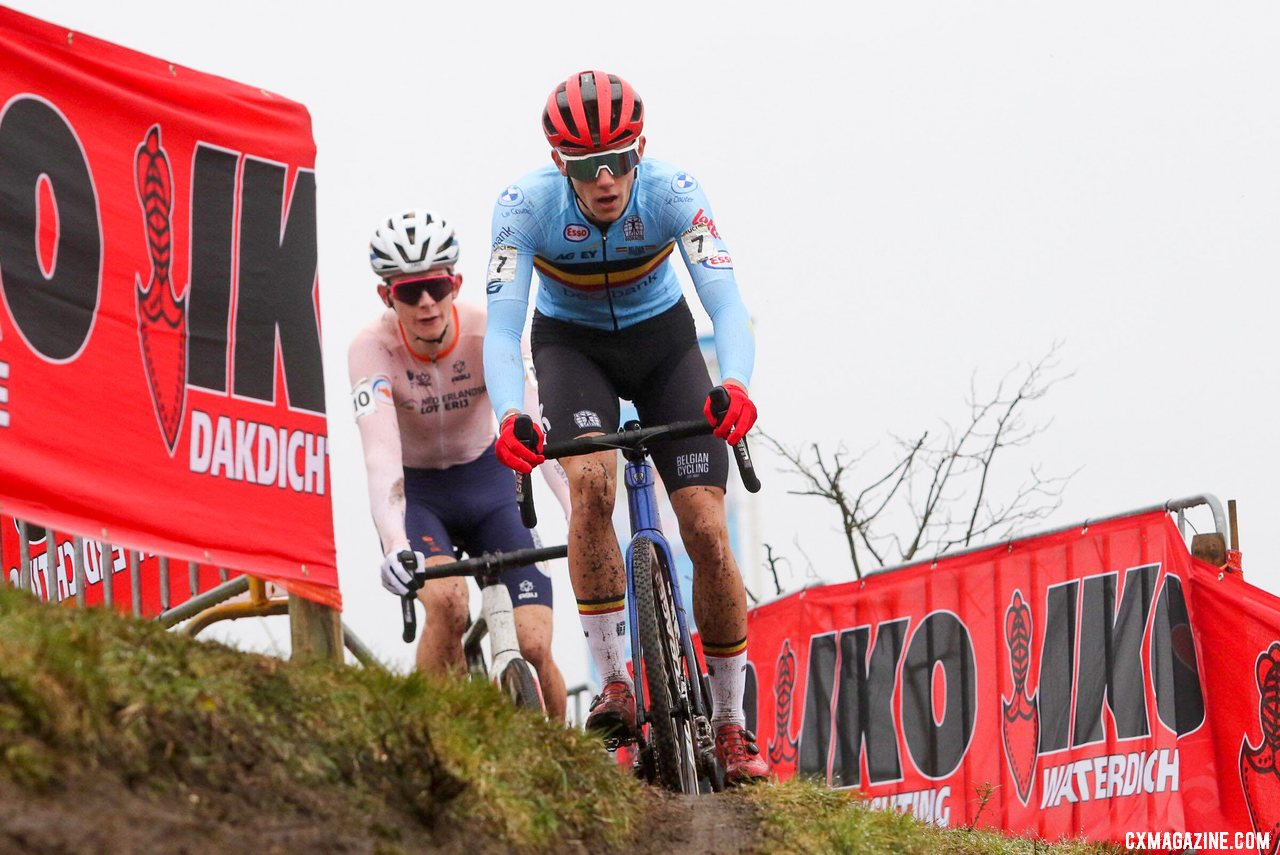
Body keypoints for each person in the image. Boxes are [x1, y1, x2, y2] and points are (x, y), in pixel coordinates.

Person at [482, 70, 768, 783]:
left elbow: (727, 305)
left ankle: (731, 723)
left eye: (621, 160)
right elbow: (504, 328)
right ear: (560, 165)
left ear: (643, 150)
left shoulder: (674, 192)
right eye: (586, 166)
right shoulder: (524, 208)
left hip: (665, 345)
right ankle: (613, 679)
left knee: (705, 526)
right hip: (572, 348)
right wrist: (510, 413)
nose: (607, 179)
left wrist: (734, 384)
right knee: (588, 488)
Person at [349, 209, 567, 720]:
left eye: (435, 286)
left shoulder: (486, 333)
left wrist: (576, 511)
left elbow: (534, 424)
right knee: (447, 606)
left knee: (535, 645)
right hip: (421, 498)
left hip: (489, 483)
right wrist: (396, 544)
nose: (425, 302)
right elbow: (380, 454)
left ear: (456, 284)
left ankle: (565, 758)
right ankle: (439, 739)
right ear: (387, 297)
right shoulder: (369, 349)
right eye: (409, 292)